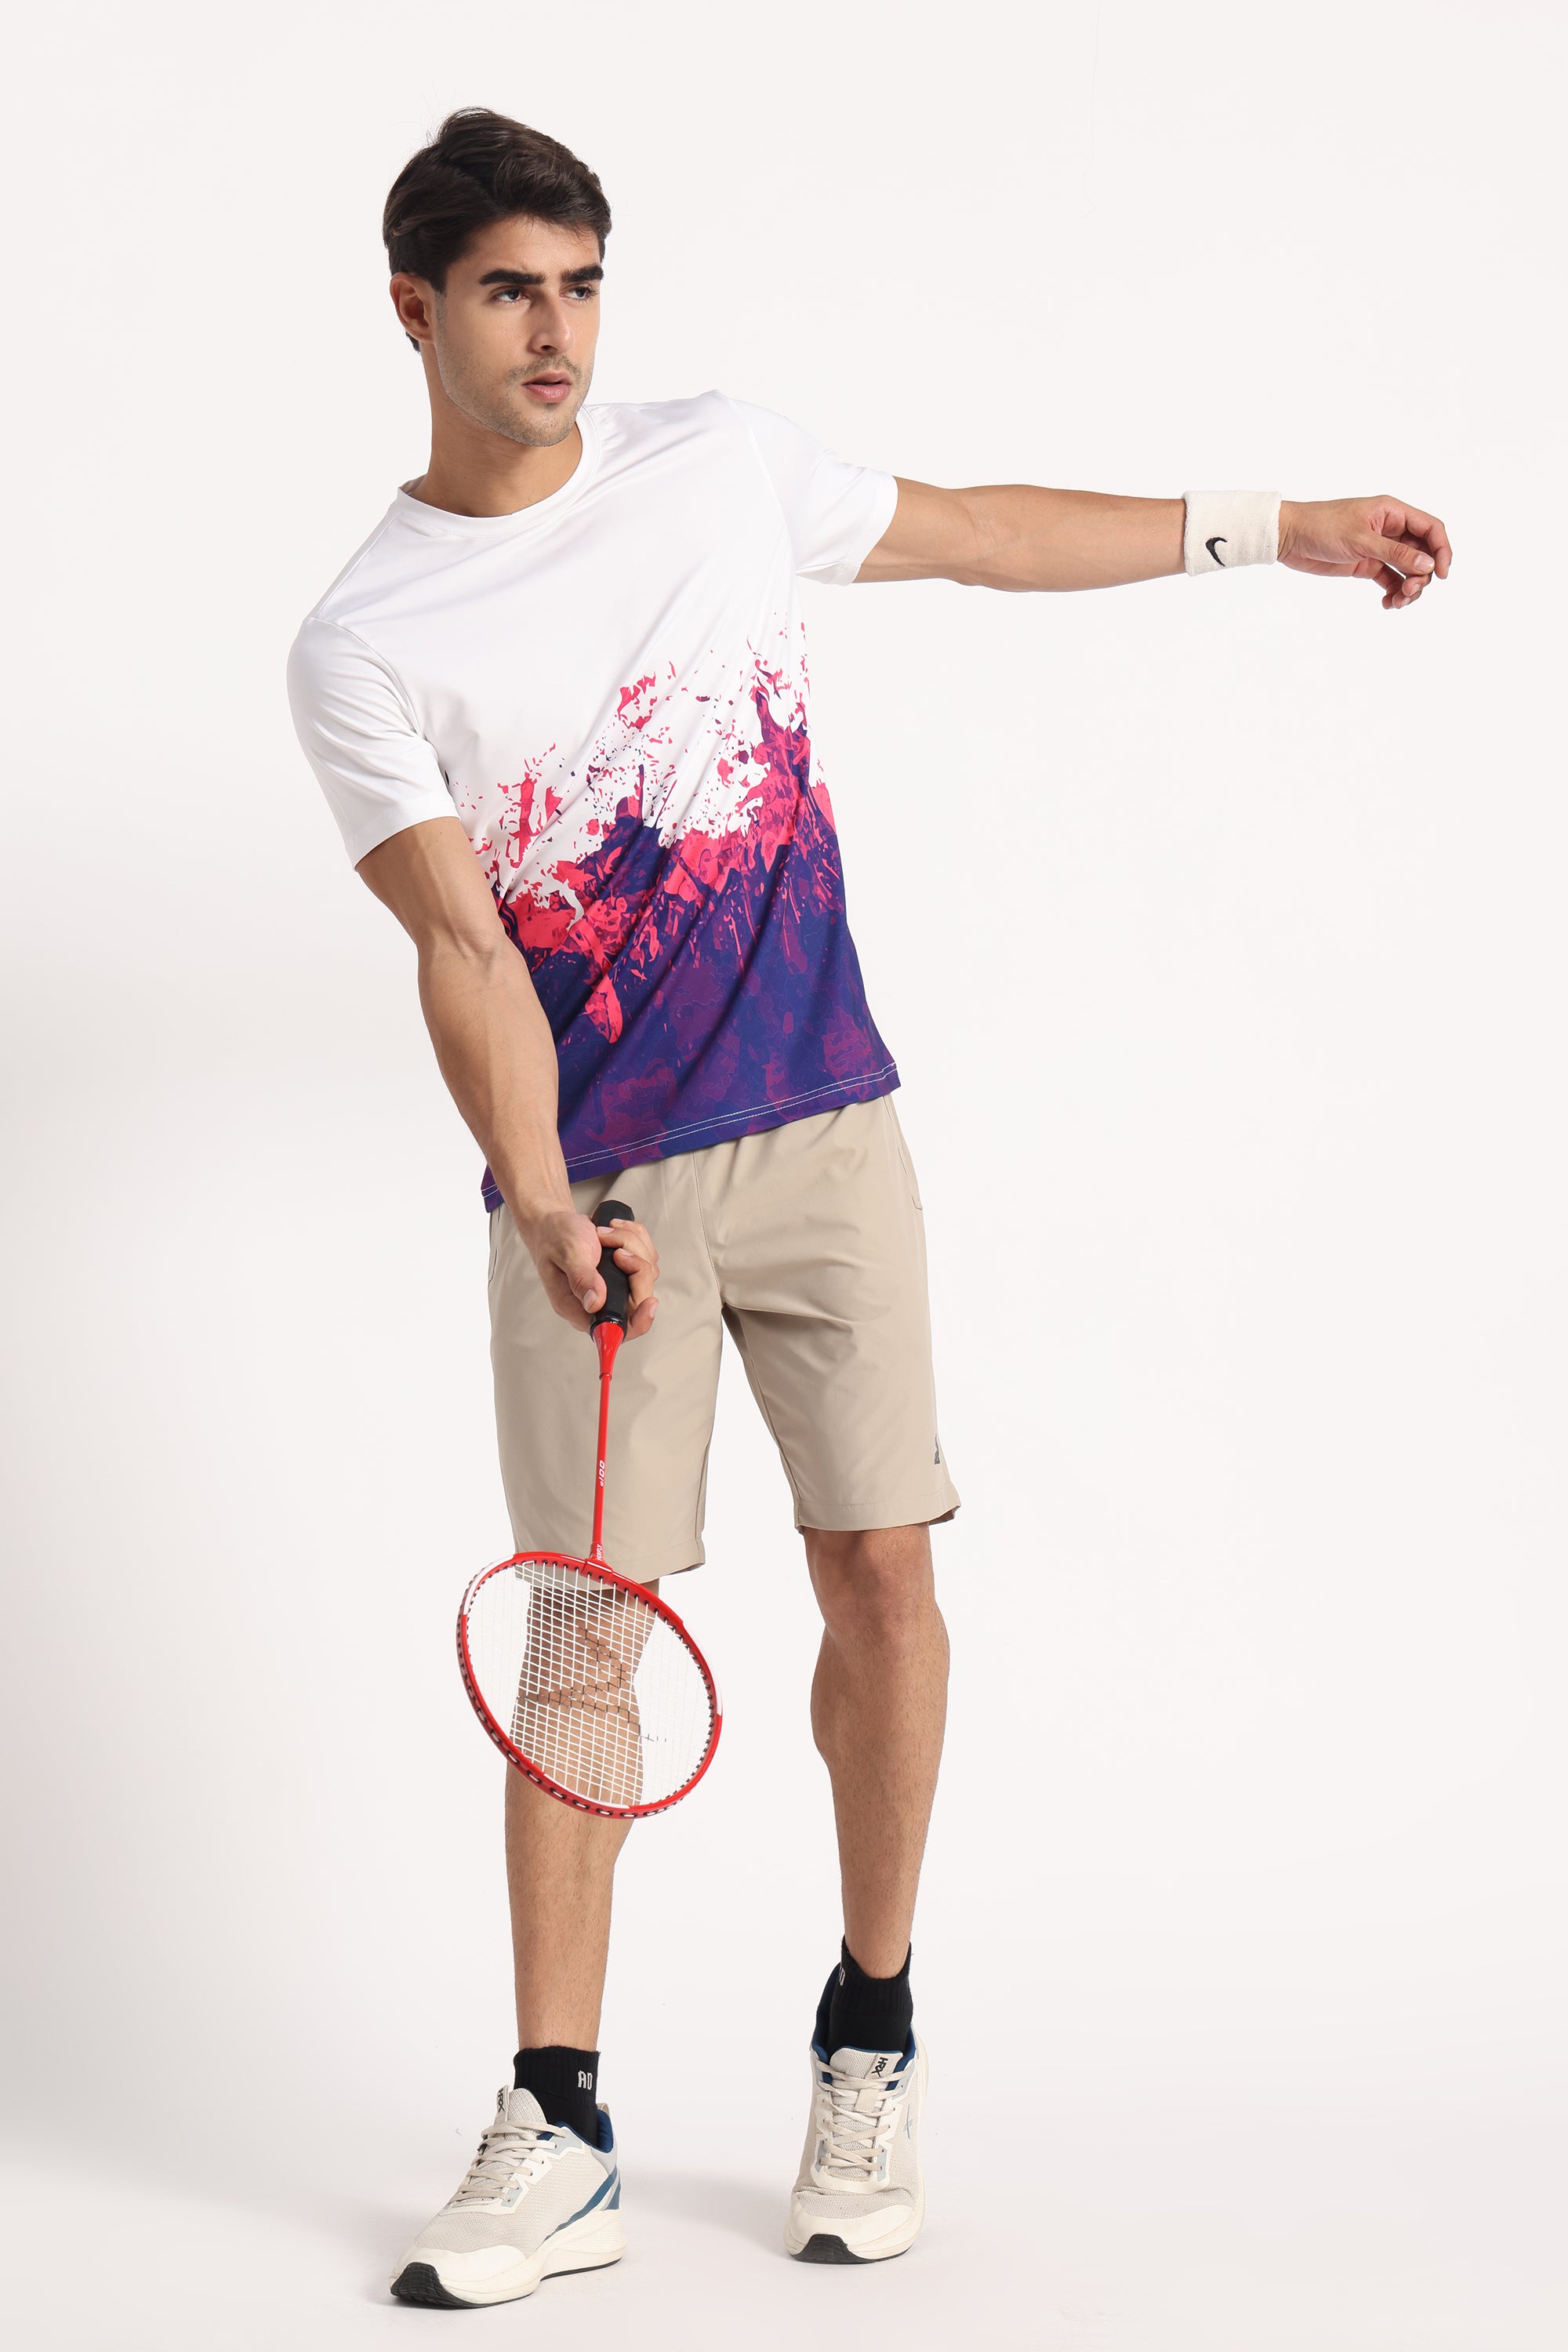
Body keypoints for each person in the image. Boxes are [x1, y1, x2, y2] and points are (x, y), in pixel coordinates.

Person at [286, 107, 1451, 2306]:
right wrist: (538, 1204)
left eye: (583, 284)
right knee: (583, 1634)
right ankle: (558, 2121)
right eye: (512, 290)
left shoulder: (714, 464)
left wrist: (1274, 527)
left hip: (829, 1127)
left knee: (886, 1576)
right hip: (596, 1191)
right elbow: (462, 947)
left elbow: (983, 534)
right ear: (414, 311)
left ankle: (872, 2036)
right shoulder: (364, 633)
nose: (557, 332)